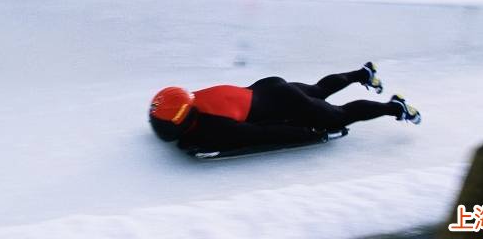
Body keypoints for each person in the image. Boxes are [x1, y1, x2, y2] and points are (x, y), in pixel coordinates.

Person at [148, 62, 421, 152]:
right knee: (319, 90)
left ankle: (394, 107)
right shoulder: (193, 98)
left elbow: (264, 136)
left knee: (339, 117)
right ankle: (364, 73)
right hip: (268, 87)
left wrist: (312, 135)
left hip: (285, 103)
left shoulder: (213, 126)